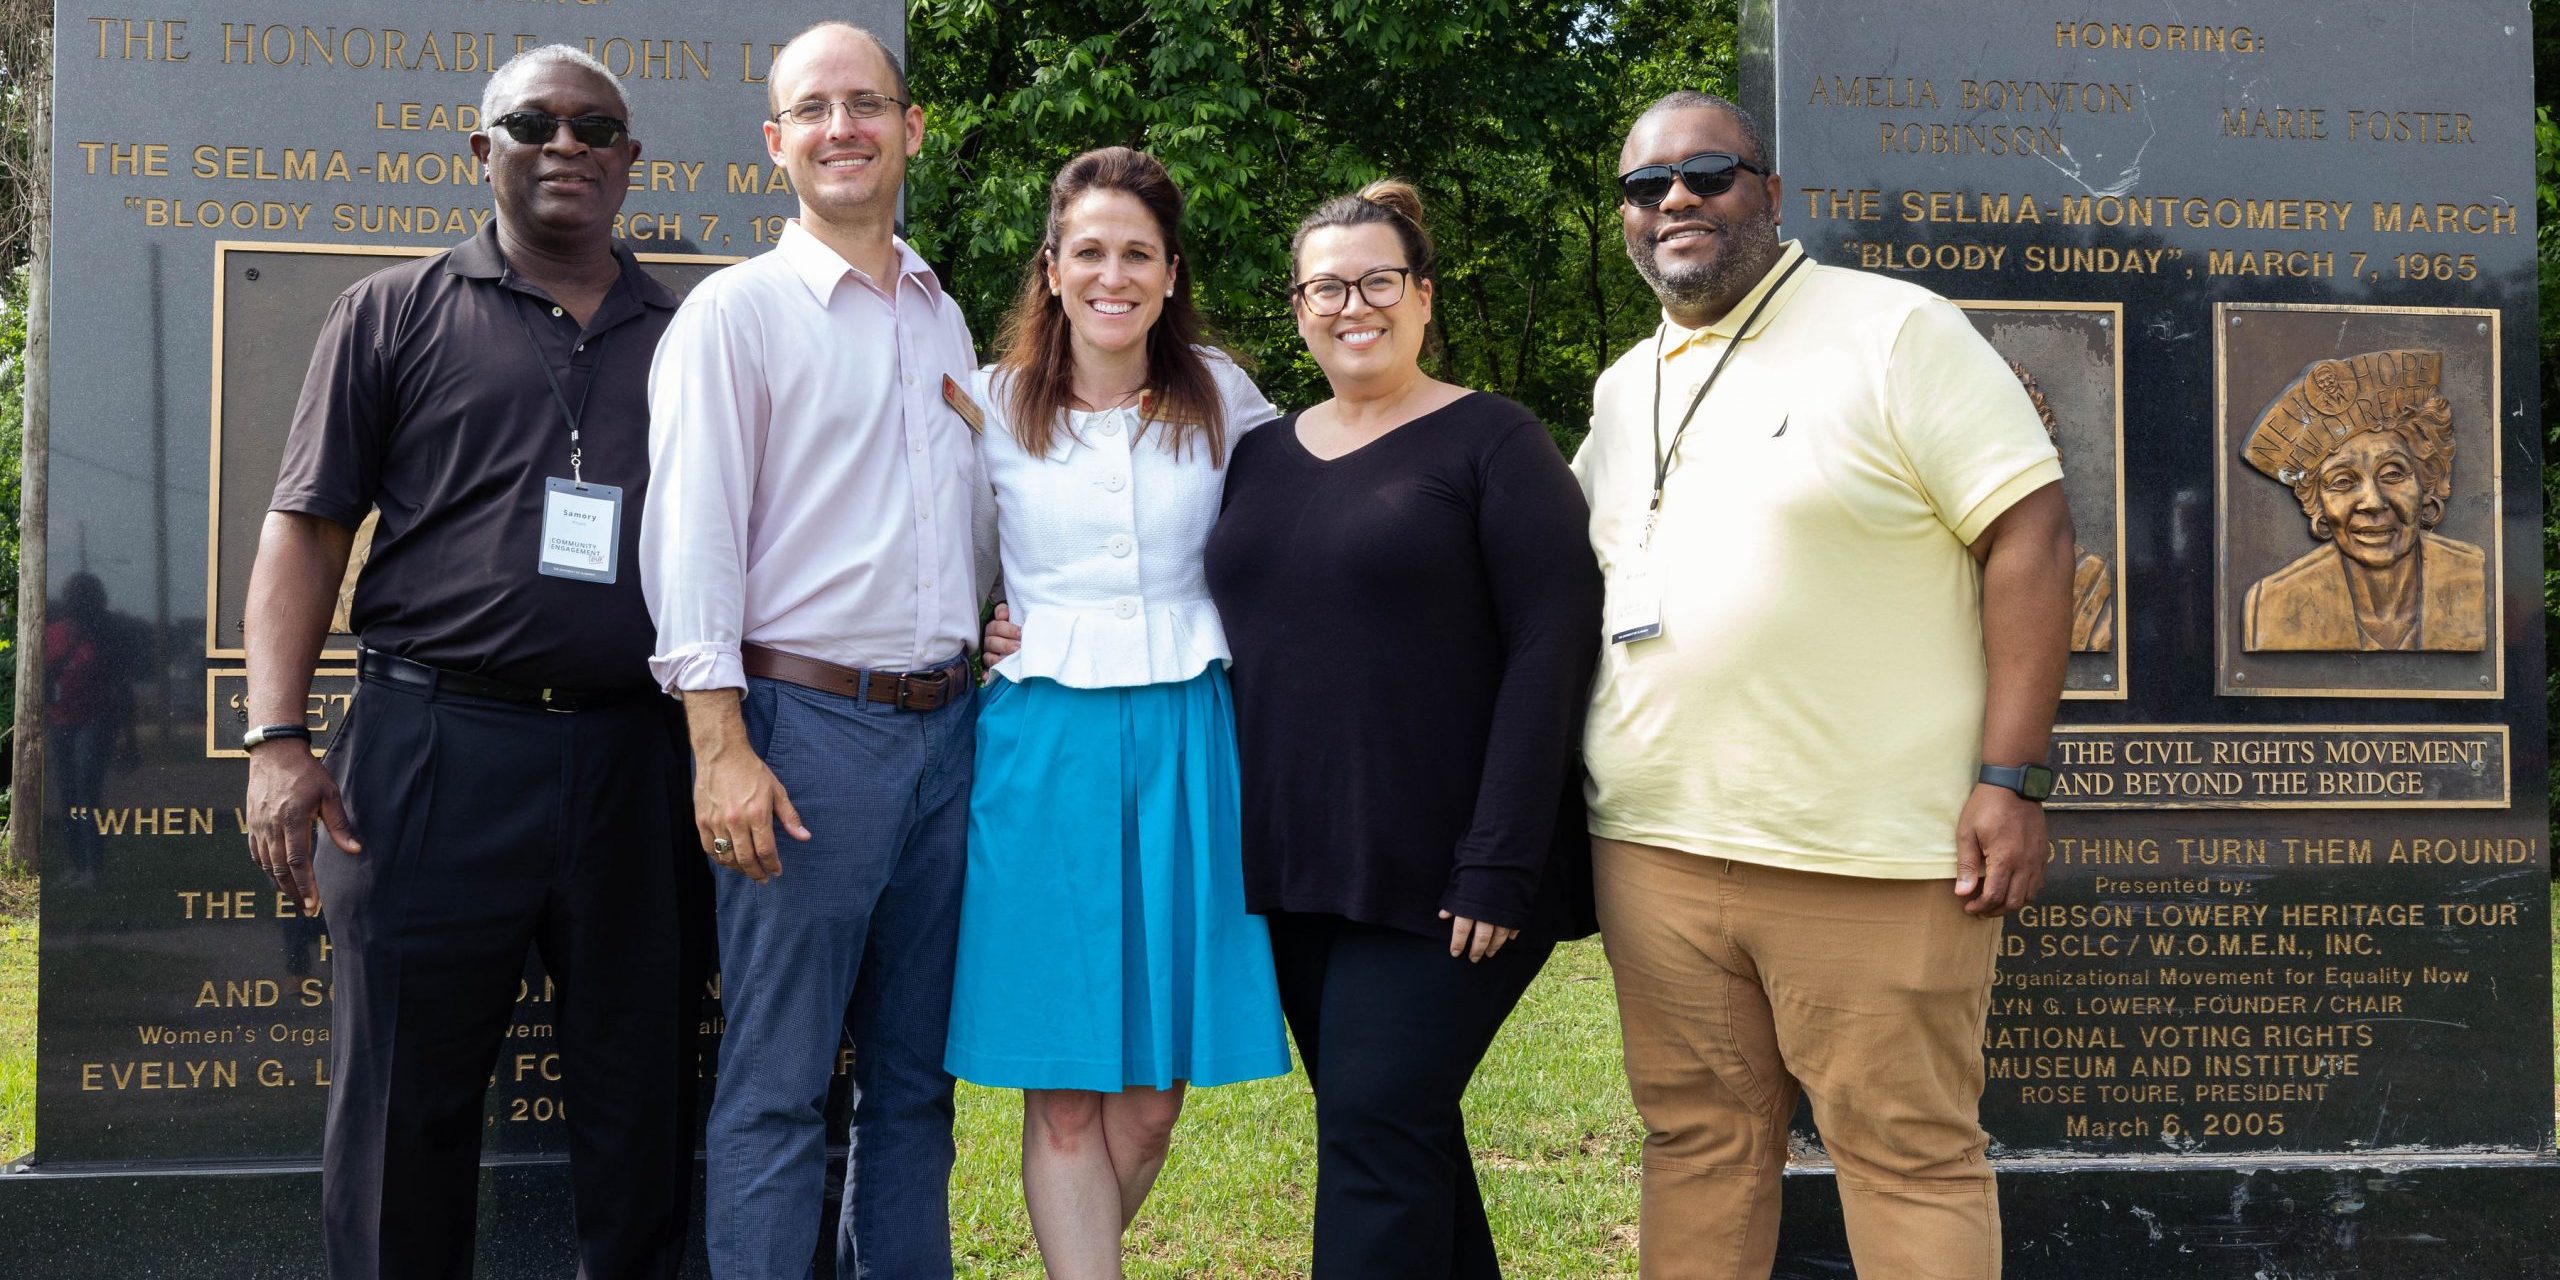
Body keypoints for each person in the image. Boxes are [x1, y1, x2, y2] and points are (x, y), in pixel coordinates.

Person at [1575, 91, 2075, 1280]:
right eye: (1647, 189)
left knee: (1905, 1153)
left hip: (1876, 856)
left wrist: (2011, 777)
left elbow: (2035, 537)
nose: (1675, 202)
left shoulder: (1898, 332)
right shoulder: (1618, 386)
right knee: (1694, 1142)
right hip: (1656, 848)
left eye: (1707, 174)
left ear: (1772, 194)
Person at [242, 45, 700, 1280]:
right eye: (534, 122)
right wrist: (276, 736)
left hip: (633, 755)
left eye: (595, 126)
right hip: (434, 750)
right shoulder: (391, 310)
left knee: (641, 1095)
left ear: (629, 160)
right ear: (479, 150)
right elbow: (307, 524)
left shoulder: (698, 332)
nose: (567, 145)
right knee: (404, 1105)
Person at [1201, 180, 1604, 1277]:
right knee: (1399, 1128)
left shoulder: (1494, 441)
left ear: (1423, 298)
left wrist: (1499, 862)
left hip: (1449, 876)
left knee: (1374, 1130)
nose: (1353, 304)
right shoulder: (1260, 456)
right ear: (1297, 307)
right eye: (1327, 285)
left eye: (1379, 280)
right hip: (1301, 868)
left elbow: (1551, 647)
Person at [638, 21, 983, 1278]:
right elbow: (692, 545)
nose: (845, 127)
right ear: (775, 142)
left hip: (954, 737)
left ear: (910, 128)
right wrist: (717, 746)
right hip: (803, 738)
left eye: (868, 103)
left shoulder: (945, 320)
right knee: (779, 1086)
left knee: (915, 1086)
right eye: (815, 109)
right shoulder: (737, 315)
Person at [944, 145, 1292, 1279]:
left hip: (1192, 738)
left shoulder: (1226, 397)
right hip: (1042, 748)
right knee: (1063, 1097)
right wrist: (982, 624)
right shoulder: (989, 404)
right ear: (1050, 268)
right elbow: (952, 571)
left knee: (1147, 1104)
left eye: (1136, 253)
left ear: (1170, 271)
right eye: (1088, 250)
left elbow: (1295, 540)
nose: (1112, 273)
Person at [2239, 349, 2484, 652]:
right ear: (2319, 509)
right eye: (2343, 481)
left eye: (2393, 473)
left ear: (2428, 490)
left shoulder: (2480, 579)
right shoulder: (2275, 604)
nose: (2373, 502)